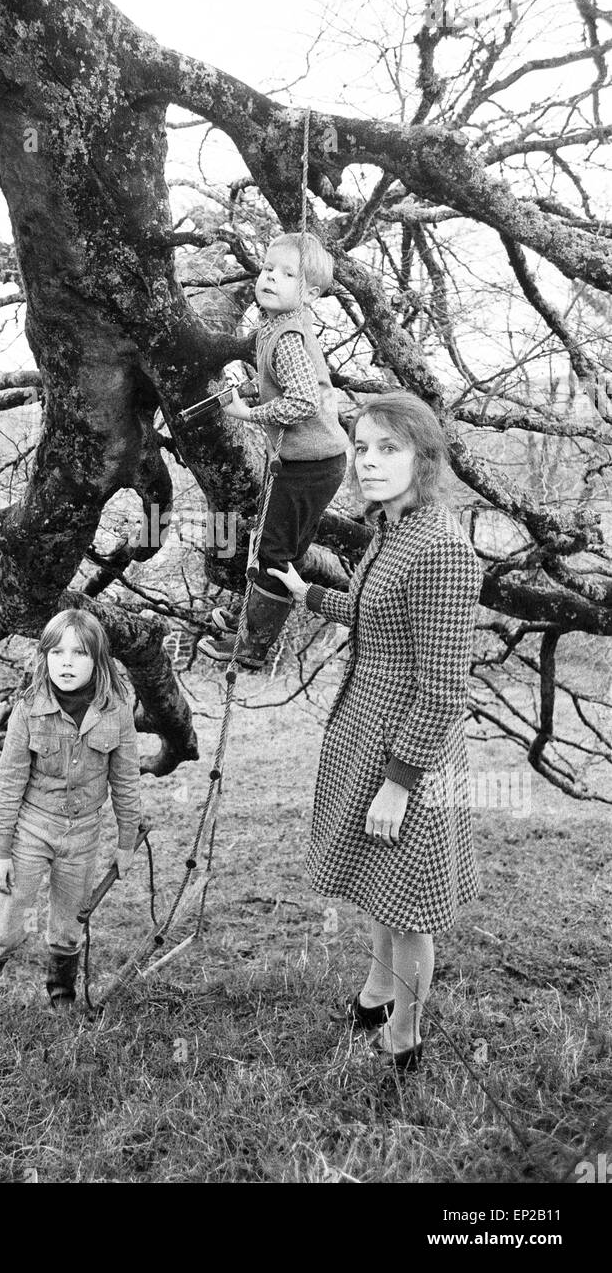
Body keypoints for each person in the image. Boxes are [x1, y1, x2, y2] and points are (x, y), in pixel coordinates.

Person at [267, 392, 482, 1072]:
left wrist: (399, 783)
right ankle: (376, 992)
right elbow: (370, 615)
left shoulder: (442, 550)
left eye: (388, 447)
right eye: (360, 447)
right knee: (379, 884)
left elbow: (444, 687)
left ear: (424, 456)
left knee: (409, 903)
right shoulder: (392, 530)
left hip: (409, 753)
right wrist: (305, 592)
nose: (369, 460)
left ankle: (405, 1035)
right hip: (367, 733)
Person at [0, 609, 140, 1041]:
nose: (66, 663)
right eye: (57, 652)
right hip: (31, 829)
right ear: (44, 657)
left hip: (83, 834)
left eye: (79, 653)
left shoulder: (116, 711)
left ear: (98, 660)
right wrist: (0, 852)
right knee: (8, 925)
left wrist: (126, 843)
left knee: (69, 923)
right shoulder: (28, 709)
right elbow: (8, 785)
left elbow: (126, 781)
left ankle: (62, 995)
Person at [199, 231, 349, 670]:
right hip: (308, 462)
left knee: (273, 551)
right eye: (268, 269)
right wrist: (253, 387)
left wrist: (248, 414)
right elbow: (284, 383)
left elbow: (302, 401)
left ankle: (252, 646)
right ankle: (251, 618)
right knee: (273, 543)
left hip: (312, 464)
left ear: (309, 294)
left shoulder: (287, 337)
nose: (271, 279)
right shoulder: (271, 328)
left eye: (288, 274)